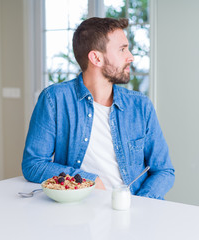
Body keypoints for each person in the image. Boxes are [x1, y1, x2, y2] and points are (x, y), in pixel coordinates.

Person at [22, 17, 174, 199]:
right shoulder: (54, 99)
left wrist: (138, 202)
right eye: (122, 49)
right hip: (78, 210)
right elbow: (33, 164)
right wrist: (87, 179)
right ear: (96, 58)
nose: (130, 57)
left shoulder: (140, 106)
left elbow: (164, 171)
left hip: (132, 210)